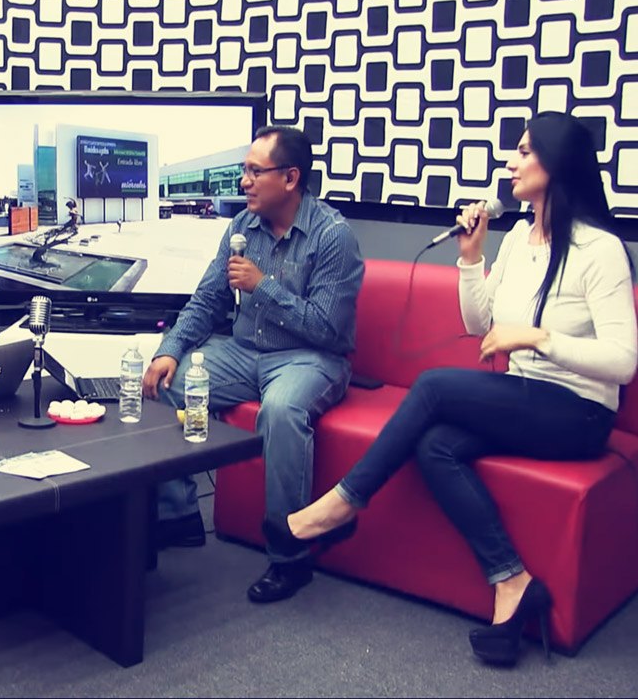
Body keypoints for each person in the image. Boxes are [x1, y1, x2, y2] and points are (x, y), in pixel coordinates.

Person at [277, 112, 637, 666]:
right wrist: (471, 258)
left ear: (559, 162)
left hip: (579, 414)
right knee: (436, 445)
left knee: (434, 387)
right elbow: (479, 324)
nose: (511, 163)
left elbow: (623, 361)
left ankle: (343, 505)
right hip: (525, 396)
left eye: (525, 151)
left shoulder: (600, 250)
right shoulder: (517, 239)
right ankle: (512, 582)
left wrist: (538, 338)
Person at [143, 125, 365, 602]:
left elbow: (327, 328)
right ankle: (177, 515)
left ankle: (290, 556)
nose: (243, 182)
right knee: (166, 384)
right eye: (243, 171)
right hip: (245, 352)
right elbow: (208, 299)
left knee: (281, 412)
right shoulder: (242, 227)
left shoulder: (333, 237)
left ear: (290, 178)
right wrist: (170, 350)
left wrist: (263, 286)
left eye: (253, 172)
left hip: (310, 358)